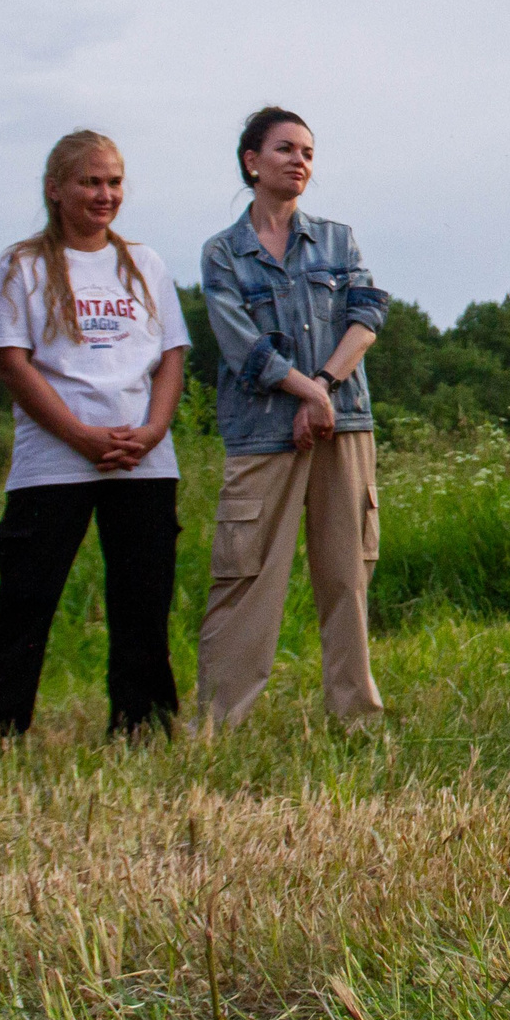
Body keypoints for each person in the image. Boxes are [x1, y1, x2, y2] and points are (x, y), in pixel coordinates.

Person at [0, 133, 188, 742]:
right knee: (27, 598)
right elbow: (12, 363)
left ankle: (142, 725)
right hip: (55, 459)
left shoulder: (145, 264)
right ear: (55, 189)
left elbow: (171, 356)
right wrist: (79, 435)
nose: (104, 194)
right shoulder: (20, 266)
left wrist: (153, 431)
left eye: (113, 182)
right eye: (90, 182)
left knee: (142, 600)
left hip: (142, 458)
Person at [196, 107, 389, 728]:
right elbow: (239, 343)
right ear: (252, 161)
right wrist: (306, 393)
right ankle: (220, 725)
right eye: (285, 149)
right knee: (246, 575)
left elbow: (367, 318)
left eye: (307, 151)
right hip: (261, 431)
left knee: (347, 577)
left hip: (343, 423)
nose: (300, 160)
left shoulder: (337, 240)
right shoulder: (223, 253)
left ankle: (357, 718)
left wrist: (323, 389)